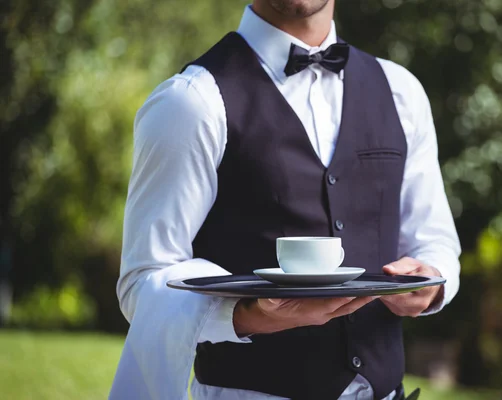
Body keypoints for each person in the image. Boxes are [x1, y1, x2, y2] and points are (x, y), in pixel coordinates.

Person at [109, 1, 461, 399]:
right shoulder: (189, 102)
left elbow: (435, 242)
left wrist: (430, 282)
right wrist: (249, 316)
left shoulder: (402, 92)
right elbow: (143, 284)